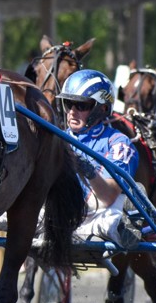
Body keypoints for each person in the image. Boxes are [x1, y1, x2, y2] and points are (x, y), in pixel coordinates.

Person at [58, 69, 142, 250]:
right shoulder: (57, 138)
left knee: (109, 222)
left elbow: (108, 196)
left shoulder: (119, 143)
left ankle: (125, 222)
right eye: (68, 104)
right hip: (58, 215)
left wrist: (84, 167)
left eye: (81, 106)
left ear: (101, 109)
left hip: (98, 215)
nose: (72, 112)